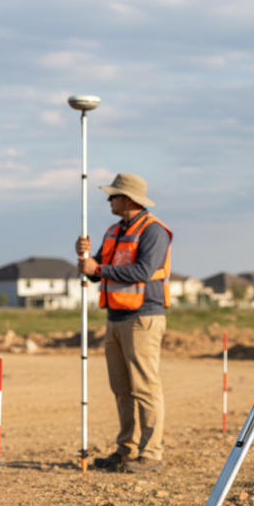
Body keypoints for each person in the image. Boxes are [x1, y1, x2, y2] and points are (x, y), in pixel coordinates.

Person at [76, 173, 172, 474]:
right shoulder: (114, 230)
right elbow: (98, 273)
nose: (109, 200)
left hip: (143, 318)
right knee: (121, 388)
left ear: (128, 199)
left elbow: (142, 271)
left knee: (145, 387)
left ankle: (151, 453)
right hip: (115, 317)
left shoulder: (154, 231)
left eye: (113, 195)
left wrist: (98, 267)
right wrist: (87, 261)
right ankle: (126, 449)